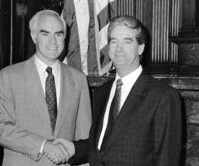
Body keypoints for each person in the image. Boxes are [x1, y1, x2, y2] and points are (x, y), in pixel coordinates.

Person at [55, 16, 182, 166]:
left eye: (127, 41)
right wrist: (74, 148)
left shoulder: (163, 95)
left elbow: (167, 159)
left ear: (141, 48)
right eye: (114, 41)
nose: (118, 48)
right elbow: (104, 145)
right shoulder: (102, 92)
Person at [0, 9, 92, 166]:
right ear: (33, 36)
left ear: (65, 37)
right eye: (45, 34)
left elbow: (84, 140)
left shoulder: (79, 79)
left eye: (58, 34)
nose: (53, 41)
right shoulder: (9, 76)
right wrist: (43, 145)